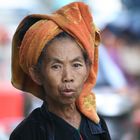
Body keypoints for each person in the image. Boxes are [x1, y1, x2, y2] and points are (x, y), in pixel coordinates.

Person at [10, 2, 111, 140]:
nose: (68, 77)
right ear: (36, 74)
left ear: (88, 69)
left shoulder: (96, 124)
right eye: (56, 66)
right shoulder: (28, 133)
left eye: (76, 65)